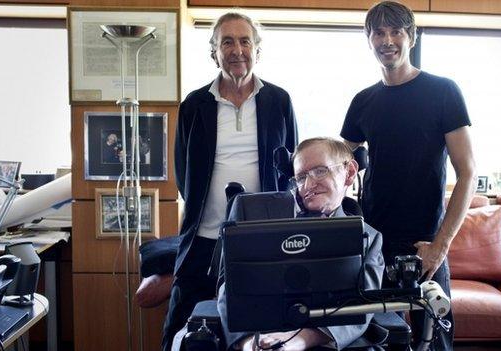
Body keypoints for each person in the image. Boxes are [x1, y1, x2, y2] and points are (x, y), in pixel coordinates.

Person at [340, 2, 477, 350]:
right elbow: (340, 161)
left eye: (396, 31)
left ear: (411, 36)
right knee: (380, 336)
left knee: (437, 339)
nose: (387, 41)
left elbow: (468, 174)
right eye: (379, 33)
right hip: (375, 240)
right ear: (368, 40)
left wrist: (439, 247)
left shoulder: (443, 91)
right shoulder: (363, 101)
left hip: (426, 243)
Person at [163, 12, 298, 350]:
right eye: (227, 42)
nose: (237, 50)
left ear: (257, 49)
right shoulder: (195, 104)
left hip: (261, 242)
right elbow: (184, 171)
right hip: (203, 239)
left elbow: (291, 168)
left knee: (257, 334)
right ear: (215, 52)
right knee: (180, 330)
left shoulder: (279, 101)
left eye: (244, 41)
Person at [217, 137, 384, 351]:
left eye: (320, 171)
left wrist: (298, 341)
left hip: (322, 342)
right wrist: (247, 342)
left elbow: (363, 306)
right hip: (258, 338)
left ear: (350, 172)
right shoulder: (251, 210)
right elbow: (228, 288)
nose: (308, 185)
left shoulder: (370, 237)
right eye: (301, 176)